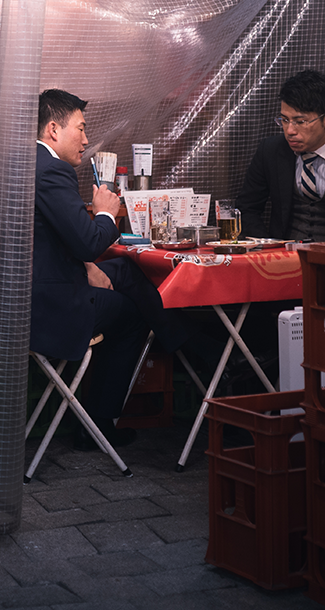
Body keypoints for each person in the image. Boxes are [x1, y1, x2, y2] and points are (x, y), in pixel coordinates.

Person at [33, 88, 203, 450]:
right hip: (49, 309)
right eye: (80, 129)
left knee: (126, 272)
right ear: (53, 130)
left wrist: (87, 265)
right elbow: (88, 242)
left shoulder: (27, 164)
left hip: (33, 293)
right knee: (134, 315)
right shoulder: (52, 172)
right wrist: (106, 212)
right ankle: (98, 424)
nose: (86, 139)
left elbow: (55, 238)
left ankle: (191, 345)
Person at [238, 70, 325, 242]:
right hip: (281, 260)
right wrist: (268, 249)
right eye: (284, 120)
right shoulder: (270, 151)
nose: (290, 131)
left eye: (300, 122)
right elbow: (247, 208)